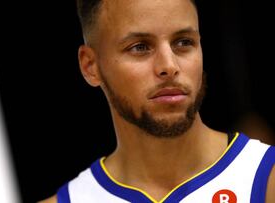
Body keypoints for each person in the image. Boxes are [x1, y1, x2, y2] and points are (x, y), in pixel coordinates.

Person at [39, 0, 275, 202]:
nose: (169, 66)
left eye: (183, 42)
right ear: (90, 66)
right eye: (140, 47)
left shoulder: (268, 179)